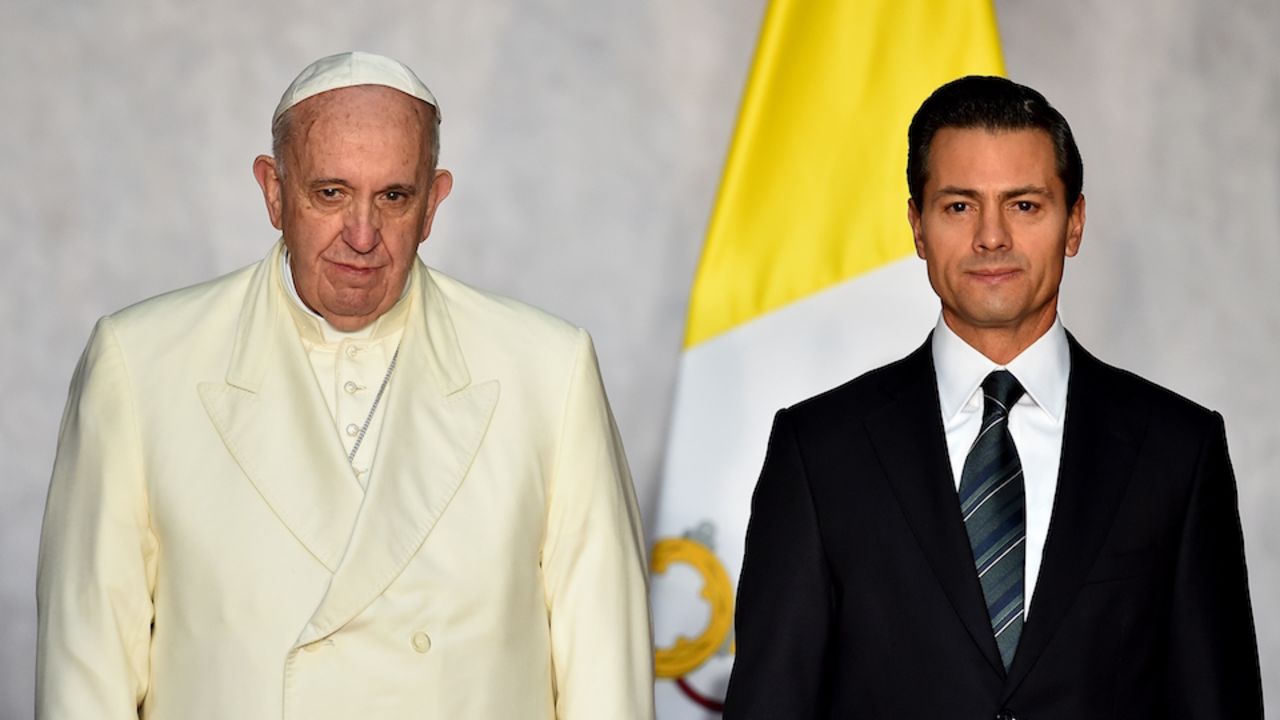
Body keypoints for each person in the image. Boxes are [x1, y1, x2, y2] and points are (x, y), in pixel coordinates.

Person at [36, 51, 654, 719]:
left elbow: (605, 674)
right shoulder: (141, 364)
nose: (362, 235)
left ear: (433, 202)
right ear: (273, 191)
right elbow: (86, 669)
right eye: (330, 193)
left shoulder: (547, 370)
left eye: (394, 197)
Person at [722, 76, 1262, 718]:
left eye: (1025, 205)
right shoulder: (818, 452)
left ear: (1075, 222)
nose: (992, 236)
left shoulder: (1179, 450)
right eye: (959, 206)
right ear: (917, 226)